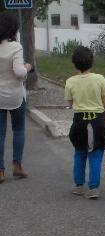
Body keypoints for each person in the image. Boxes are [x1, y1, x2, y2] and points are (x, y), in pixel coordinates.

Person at [65, 46, 105, 199]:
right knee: (96, 154)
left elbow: (71, 104)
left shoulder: (70, 82)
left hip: (79, 121)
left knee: (79, 152)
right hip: (97, 121)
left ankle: (78, 185)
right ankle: (94, 187)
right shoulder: (100, 79)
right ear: (92, 62)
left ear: (74, 63)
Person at [0, 12, 32, 183]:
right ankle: (17, 166)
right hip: (15, 96)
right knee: (18, 130)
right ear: (13, 29)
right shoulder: (15, 47)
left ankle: (0, 171)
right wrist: (27, 67)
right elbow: (19, 72)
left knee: (0, 134)